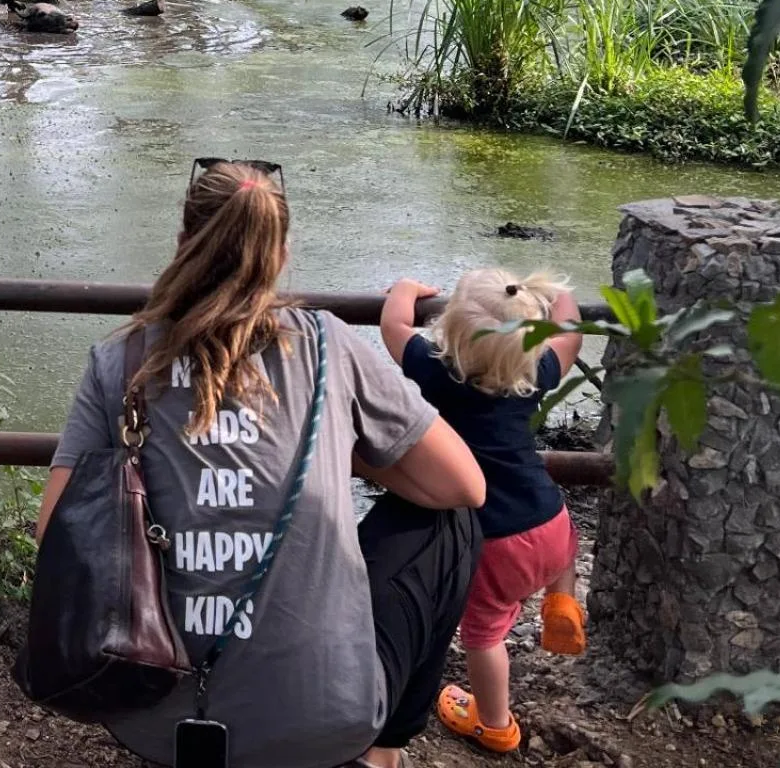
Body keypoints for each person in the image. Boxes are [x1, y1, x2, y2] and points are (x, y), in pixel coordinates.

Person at [38, 160, 486, 768]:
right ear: (280, 256)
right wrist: (337, 452)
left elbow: (55, 539)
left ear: (181, 245)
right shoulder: (329, 345)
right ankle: (382, 753)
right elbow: (463, 485)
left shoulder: (121, 362)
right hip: (325, 721)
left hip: (148, 715)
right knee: (453, 526)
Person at [380, 270, 586, 755]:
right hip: (549, 519)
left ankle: (493, 723)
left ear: (449, 330)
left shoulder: (436, 370)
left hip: (494, 537)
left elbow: (393, 327)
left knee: (485, 633)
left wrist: (406, 290)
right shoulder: (535, 373)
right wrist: (558, 295)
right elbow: (571, 332)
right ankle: (562, 599)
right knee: (561, 544)